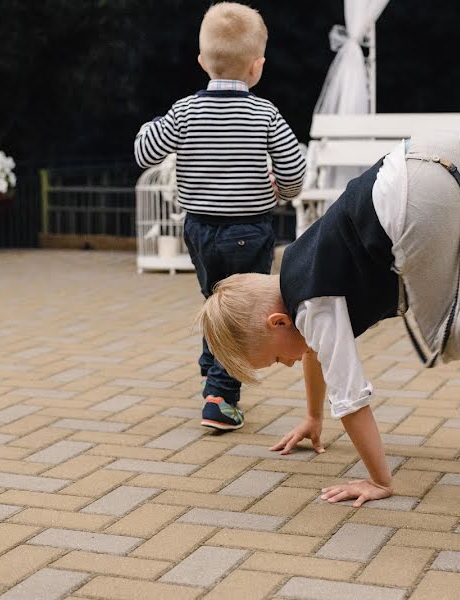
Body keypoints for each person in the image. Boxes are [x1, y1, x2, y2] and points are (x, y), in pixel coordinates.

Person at [198, 130, 460, 506]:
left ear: (277, 322)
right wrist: (313, 418)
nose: (289, 364)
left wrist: (378, 479)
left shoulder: (311, 306)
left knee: (442, 339)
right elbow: (315, 353)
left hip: (415, 203)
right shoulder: (297, 267)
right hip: (440, 152)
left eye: (276, 360)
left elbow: (350, 400)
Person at [134, 2, 306, 431]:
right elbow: (295, 171)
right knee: (243, 312)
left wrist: (154, 124)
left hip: (200, 231)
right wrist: (280, 191)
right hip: (250, 227)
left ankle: (212, 363)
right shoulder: (264, 113)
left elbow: (145, 152)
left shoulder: (185, 111)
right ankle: (220, 398)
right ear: (256, 67)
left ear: (201, 62)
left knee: (217, 298)